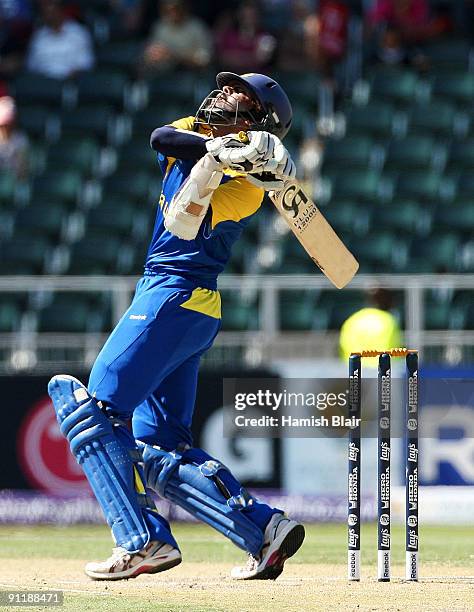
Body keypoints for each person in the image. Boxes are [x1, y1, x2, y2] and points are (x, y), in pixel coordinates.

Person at [48, 71, 304, 582]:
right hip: (190, 308)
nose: (226, 96)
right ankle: (263, 531)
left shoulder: (250, 190)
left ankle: (140, 541)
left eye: (242, 99)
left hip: (175, 293)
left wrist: (246, 162)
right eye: (229, 89)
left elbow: (195, 215)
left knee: (91, 409)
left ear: (260, 122)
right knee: (160, 444)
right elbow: (160, 137)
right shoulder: (195, 132)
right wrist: (220, 149)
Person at [26, 0, 94, 79]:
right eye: (43, 9)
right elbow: (31, 67)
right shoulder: (38, 36)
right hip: (43, 85)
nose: (47, 12)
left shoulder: (78, 32)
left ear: (60, 9)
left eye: (50, 6)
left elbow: (86, 65)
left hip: (71, 84)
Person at [339, 288, 403, 367]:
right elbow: (394, 349)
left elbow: (345, 347)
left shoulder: (352, 320)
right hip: (382, 371)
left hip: (355, 371)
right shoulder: (389, 320)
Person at [142, 0, 211, 73]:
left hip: (193, 75)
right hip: (164, 75)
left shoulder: (197, 27)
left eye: (176, 8)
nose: (172, 13)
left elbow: (205, 60)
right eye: (167, 10)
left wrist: (175, 57)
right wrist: (152, 56)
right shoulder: (160, 27)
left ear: (184, 8)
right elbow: (150, 54)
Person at [0, 96, 28, 179]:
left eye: (9, 124)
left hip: (13, 184)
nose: (6, 128)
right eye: (4, 125)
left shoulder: (21, 139)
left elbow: (23, 173)